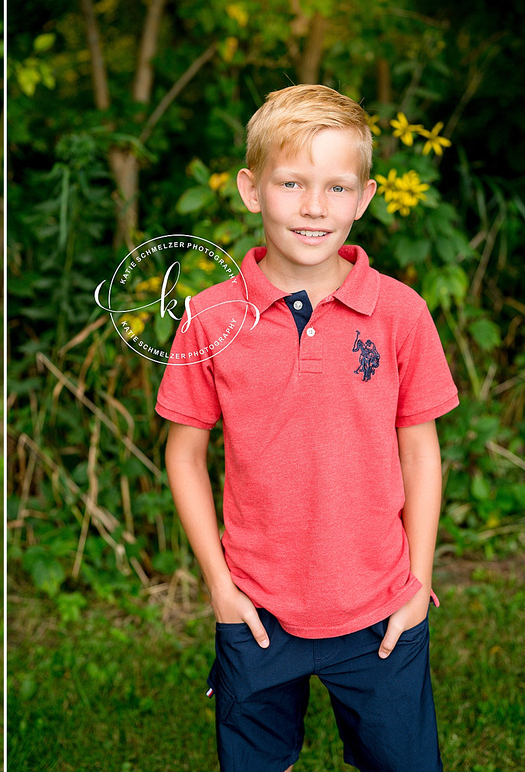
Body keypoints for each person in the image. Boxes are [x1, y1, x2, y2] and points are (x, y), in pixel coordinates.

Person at [157, 84, 458, 771]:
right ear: (251, 189)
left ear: (365, 197)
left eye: (335, 186)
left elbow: (420, 447)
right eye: (292, 182)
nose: (315, 206)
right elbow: (184, 454)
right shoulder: (208, 316)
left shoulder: (401, 313)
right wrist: (220, 587)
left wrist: (418, 580)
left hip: (381, 605)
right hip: (257, 608)